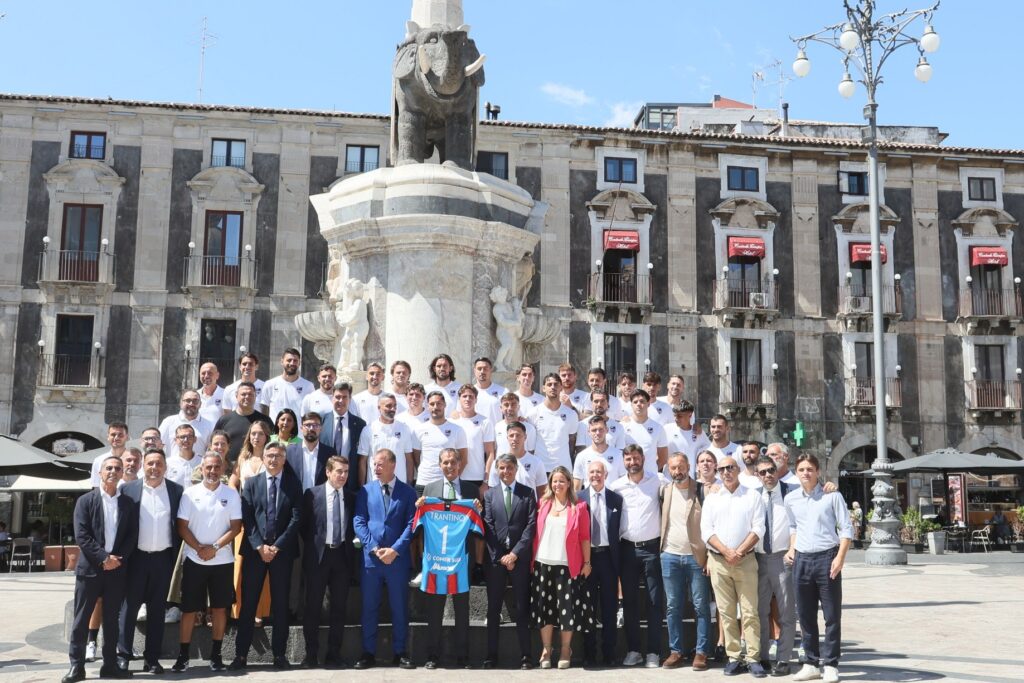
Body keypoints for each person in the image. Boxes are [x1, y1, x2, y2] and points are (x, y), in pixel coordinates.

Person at [63, 455, 138, 683]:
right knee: (81, 619)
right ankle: (77, 666)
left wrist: (117, 560)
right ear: (100, 473)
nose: (113, 471)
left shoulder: (128, 504)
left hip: (116, 570)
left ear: (122, 473)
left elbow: (131, 536)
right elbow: (82, 536)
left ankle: (110, 665)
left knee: (112, 620)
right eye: (109, 468)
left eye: (117, 468)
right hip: (90, 570)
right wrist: (104, 558)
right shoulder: (85, 501)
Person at [229, 442, 303, 670]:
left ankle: (279, 655)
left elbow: (296, 518)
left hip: (282, 553)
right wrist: (260, 546)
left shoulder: (293, 484)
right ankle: (240, 656)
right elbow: (247, 517)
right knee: (248, 604)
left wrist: (276, 547)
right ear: (264, 459)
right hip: (255, 553)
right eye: (269, 455)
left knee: (280, 605)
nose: (273, 459)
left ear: (284, 459)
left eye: (278, 456)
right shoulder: (252, 483)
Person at [173, 453, 242, 673]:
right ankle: (183, 656)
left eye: (216, 467)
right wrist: (199, 549)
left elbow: (236, 527)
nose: (212, 471)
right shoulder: (189, 494)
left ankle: (216, 656)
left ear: (223, 469)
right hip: (194, 559)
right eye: (209, 467)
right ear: (202, 468)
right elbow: (182, 526)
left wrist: (214, 548)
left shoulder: (231, 494)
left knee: (220, 608)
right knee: (189, 609)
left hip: (222, 560)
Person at [787, 454, 853, 683]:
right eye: (801, 469)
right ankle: (811, 663)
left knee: (832, 615)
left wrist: (840, 558)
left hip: (827, 557)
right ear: (796, 472)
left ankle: (831, 664)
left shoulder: (832, 496)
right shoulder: (791, 499)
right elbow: (793, 526)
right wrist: (792, 548)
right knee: (805, 615)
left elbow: (846, 529)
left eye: (810, 469)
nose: (806, 473)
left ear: (817, 472)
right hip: (802, 560)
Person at [414, 448, 483, 669]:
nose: (450, 466)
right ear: (439, 465)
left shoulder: (471, 490)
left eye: (453, 462)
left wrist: (478, 510)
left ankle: (463, 656)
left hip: (462, 560)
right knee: (434, 610)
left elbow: (478, 525)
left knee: (462, 610)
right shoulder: (429, 489)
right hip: (437, 560)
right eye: (445, 462)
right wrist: (419, 507)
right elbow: (420, 525)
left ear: (460, 464)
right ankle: (432, 656)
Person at [700, 455, 767, 678]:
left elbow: (758, 528)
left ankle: (753, 658)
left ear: (738, 469)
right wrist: (727, 552)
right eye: (722, 469)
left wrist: (738, 551)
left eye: (730, 468)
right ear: (718, 473)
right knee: (726, 613)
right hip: (719, 561)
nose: (726, 472)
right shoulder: (712, 499)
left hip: (745, 560)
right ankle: (734, 657)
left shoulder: (752, 496)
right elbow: (706, 531)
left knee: (749, 611)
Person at [117, 449, 183, 674]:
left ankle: (152, 659)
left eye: (159, 464)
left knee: (157, 611)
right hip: (135, 558)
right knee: (129, 609)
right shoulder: (128, 490)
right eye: (150, 463)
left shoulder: (176, 491)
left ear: (165, 467)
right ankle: (123, 655)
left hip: (163, 559)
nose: (154, 468)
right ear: (143, 465)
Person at [352, 449, 418, 670]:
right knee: (369, 606)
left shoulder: (407, 492)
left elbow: (411, 524)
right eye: (374, 464)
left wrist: (395, 550)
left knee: (399, 607)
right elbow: (359, 521)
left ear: (392, 465)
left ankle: (400, 652)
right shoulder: (366, 490)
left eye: (380, 464)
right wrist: (373, 547)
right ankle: (368, 652)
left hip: (397, 561)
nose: (375, 468)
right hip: (371, 560)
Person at [531, 466, 594, 669]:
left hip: (567, 566)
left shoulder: (579, 507)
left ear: (569, 483)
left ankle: (566, 649)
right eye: (554, 481)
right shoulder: (542, 504)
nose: (557, 484)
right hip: (543, 564)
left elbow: (585, 537)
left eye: (561, 481)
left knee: (566, 610)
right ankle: (546, 649)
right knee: (544, 609)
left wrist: (587, 562)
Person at [610, 444, 666, 668]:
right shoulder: (616, 486)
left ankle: (653, 652)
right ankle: (634, 650)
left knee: (654, 601)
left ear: (643, 458)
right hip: (627, 550)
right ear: (623, 462)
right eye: (628, 459)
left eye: (636, 458)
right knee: (630, 602)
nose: (632, 462)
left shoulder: (658, 481)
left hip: (652, 549)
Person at [482, 454, 537, 670]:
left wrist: (514, 554)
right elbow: (488, 526)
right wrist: (501, 556)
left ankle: (526, 656)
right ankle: (491, 656)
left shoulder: (527, 493)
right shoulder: (490, 494)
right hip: (496, 560)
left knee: (522, 608)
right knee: (493, 608)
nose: (506, 472)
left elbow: (531, 526)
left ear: (516, 469)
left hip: (519, 559)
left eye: (510, 468)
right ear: (497, 470)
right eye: (502, 468)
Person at [300, 455, 355, 669]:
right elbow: (304, 527)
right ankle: (311, 655)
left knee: (339, 608)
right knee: (313, 606)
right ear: (328, 471)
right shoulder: (312, 495)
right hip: (318, 557)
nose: (343, 476)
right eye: (339, 471)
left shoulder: (351, 497)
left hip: (342, 557)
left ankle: (334, 654)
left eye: (346, 472)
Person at [659, 453, 711, 671]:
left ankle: (701, 652)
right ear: (668, 469)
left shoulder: (702, 490)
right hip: (669, 555)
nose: (677, 471)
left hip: (696, 557)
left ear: (689, 466)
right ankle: (676, 651)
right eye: (673, 468)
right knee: (673, 606)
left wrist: (709, 557)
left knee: (701, 606)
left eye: (681, 466)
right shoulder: (664, 491)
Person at [754, 455, 797, 677]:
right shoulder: (753, 496)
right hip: (758, 559)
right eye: (762, 472)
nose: (768, 475)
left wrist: (829, 488)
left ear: (777, 470)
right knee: (759, 611)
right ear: (757, 475)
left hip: (783, 558)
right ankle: (762, 657)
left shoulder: (792, 492)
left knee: (786, 611)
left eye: (771, 470)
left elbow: (798, 523)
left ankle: (783, 659)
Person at [578, 459, 623, 668]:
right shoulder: (578, 498)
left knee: (609, 608)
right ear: (587, 475)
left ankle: (609, 653)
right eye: (592, 472)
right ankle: (589, 653)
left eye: (599, 472)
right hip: (586, 559)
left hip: (608, 558)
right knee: (587, 607)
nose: (595, 475)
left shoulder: (616, 499)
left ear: (605, 475)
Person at [228, 421, 273, 625]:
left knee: (263, 567)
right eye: (253, 433)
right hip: (244, 516)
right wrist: (236, 498)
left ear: (266, 436)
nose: (256, 437)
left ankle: (259, 611)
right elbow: (233, 481)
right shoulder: (243, 458)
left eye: (260, 433)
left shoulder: (270, 457)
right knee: (240, 564)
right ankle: (237, 610)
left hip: (265, 517)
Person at [412, 391, 468, 493]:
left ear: (445, 405)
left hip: (447, 484)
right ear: (427, 406)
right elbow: (416, 458)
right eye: (432, 404)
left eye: (439, 403)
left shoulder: (457, 430)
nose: (435, 407)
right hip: (424, 483)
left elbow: (463, 458)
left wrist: (453, 477)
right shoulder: (418, 430)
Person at [319, 381, 368, 498]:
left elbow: (361, 457)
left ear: (350, 399)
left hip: (350, 482)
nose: (340, 400)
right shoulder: (321, 420)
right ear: (332, 398)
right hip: (325, 480)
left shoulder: (360, 424)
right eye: (337, 397)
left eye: (344, 397)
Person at [213, 381, 274, 464]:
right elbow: (214, 444)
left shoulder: (265, 421)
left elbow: (273, 444)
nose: (247, 397)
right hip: (229, 467)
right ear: (236, 396)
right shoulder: (224, 420)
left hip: (256, 466)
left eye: (250, 394)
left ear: (255, 396)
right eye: (243, 394)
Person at [485, 421, 548, 498]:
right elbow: (493, 492)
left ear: (525, 437)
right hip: (506, 505)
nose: (514, 439)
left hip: (529, 505)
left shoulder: (536, 462)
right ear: (507, 438)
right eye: (511, 435)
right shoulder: (498, 463)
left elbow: (542, 493)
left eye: (518, 435)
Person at [532, 373, 578, 473]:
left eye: (556, 384)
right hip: (540, 469)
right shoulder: (533, 413)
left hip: (563, 468)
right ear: (543, 388)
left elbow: (572, 442)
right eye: (549, 384)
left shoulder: (571, 414)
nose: (553, 387)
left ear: (561, 387)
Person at [453, 385, 495, 490]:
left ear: (476, 400)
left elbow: (490, 453)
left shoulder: (485, 422)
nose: (467, 399)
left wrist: (486, 481)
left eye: (471, 396)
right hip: (455, 476)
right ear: (459, 399)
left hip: (476, 478)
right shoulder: (452, 422)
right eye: (464, 396)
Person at [260, 347, 315, 422]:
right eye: (289, 360)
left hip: (299, 429)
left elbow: (310, 411)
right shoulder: (270, 384)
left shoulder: (308, 386)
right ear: (282, 361)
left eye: (295, 360)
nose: (292, 363)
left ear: (299, 363)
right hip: (275, 429)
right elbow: (264, 409)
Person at [287, 411, 337, 492]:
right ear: (301, 428)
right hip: (295, 498)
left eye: (315, 425)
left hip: (320, 498)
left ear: (321, 428)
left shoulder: (330, 453)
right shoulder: (289, 451)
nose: (311, 428)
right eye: (307, 425)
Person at [621, 389, 669, 474]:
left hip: (650, 478)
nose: (638, 404)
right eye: (635, 402)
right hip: (628, 477)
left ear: (648, 403)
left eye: (642, 401)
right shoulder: (622, 427)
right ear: (631, 405)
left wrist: (651, 471)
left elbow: (663, 458)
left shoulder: (658, 428)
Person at [572, 415, 625, 489]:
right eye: (594, 430)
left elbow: (624, 482)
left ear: (607, 430)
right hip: (590, 496)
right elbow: (576, 488)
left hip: (613, 495)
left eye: (601, 429)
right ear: (589, 432)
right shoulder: (581, 456)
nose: (597, 433)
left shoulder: (618, 455)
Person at [159, 389, 213, 460]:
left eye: (195, 401)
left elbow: (211, 450)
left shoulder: (209, 425)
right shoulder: (168, 422)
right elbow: (158, 445)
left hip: (198, 466)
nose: (191, 404)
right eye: (188, 400)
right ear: (181, 403)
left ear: (200, 404)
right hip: (173, 466)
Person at [665, 401, 710, 479]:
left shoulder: (699, 433)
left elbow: (708, 451)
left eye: (680, 416)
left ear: (690, 415)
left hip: (690, 479)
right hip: (669, 479)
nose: (676, 419)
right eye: (675, 416)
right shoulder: (667, 429)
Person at [89, 422, 129, 487]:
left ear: (127, 437)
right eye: (113, 435)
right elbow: (96, 486)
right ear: (108, 437)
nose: (116, 438)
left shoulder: (135, 460)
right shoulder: (99, 460)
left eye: (120, 435)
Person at [165, 424, 202, 489]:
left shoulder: (202, 462)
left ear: (195, 439)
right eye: (182, 437)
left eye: (189, 436)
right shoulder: (167, 463)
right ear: (176, 440)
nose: (185, 440)